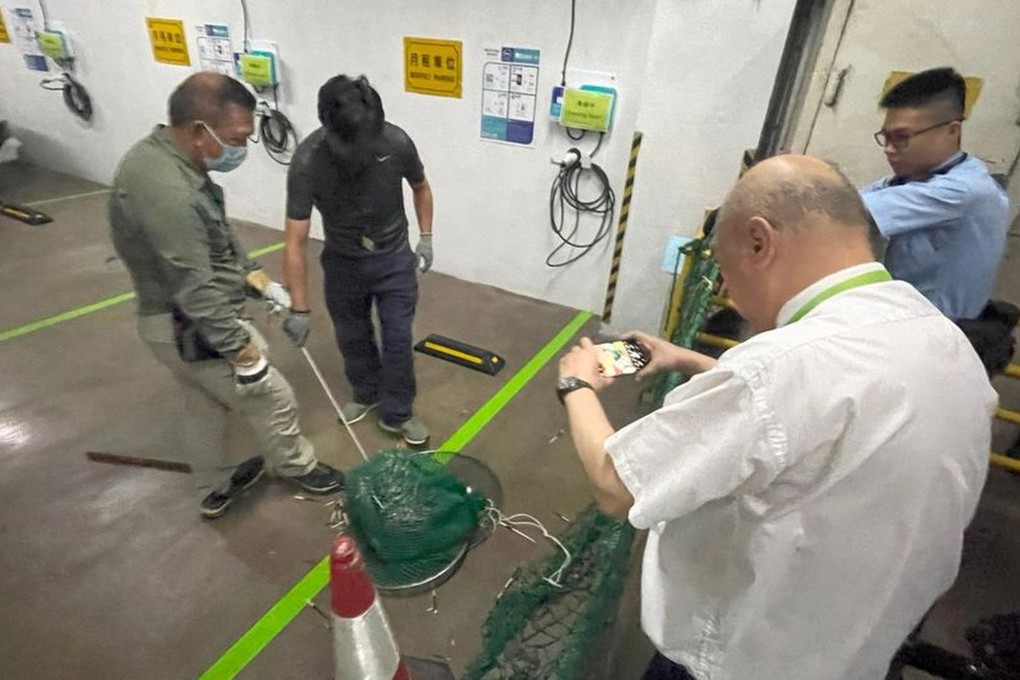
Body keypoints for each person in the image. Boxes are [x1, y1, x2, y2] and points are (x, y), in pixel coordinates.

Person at [558, 155, 997, 679]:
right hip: (860, 652)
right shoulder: (939, 337)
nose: (731, 295)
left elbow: (617, 486)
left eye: (726, 271)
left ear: (759, 242)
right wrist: (690, 360)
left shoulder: (777, 369)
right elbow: (810, 418)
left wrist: (577, 383)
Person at [109, 73, 344, 519]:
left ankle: (213, 487)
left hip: (173, 320)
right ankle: (298, 467)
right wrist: (243, 354)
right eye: (238, 138)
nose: (243, 148)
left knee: (203, 403)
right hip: (186, 323)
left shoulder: (169, 160)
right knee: (272, 396)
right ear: (200, 130)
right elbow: (194, 287)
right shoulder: (168, 191)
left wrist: (259, 282)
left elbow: (217, 238)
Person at [281, 74, 434, 446]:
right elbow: (294, 241)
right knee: (352, 336)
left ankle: (398, 413)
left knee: (398, 339)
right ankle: (365, 394)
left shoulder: (396, 142)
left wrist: (425, 236)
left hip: (394, 260)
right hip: (343, 262)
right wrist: (299, 309)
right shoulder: (307, 162)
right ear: (326, 125)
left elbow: (421, 186)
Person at [860, 67, 1010, 323]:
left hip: (939, 333)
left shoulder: (962, 190)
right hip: (909, 317)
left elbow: (843, 210)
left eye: (901, 138)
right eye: (885, 138)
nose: (888, 149)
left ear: (951, 131)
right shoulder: (918, 176)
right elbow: (848, 199)